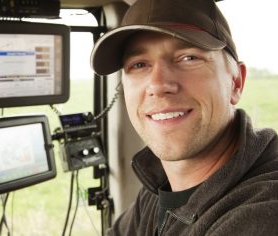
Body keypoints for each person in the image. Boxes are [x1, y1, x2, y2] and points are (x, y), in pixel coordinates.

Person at [90, 0, 278, 235]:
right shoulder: (159, 185)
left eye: (189, 58)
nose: (158, 85)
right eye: (139, 64)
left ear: (236, 82)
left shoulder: (263, 214)